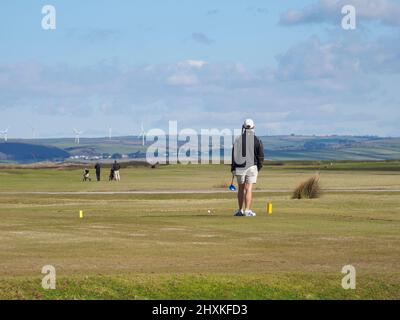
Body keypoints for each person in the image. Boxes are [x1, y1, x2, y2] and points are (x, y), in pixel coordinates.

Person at [231, 119, 264, 217]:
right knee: (249, 189)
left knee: (241, 189)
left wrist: (233, 168)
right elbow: (260, 156)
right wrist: (259, 167)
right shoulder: (257, 140)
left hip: (240, 167)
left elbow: (234, 155)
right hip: (252, 166)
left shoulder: (238, 140)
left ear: (243, 127)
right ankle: (247, 210)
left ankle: (240, 210)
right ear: (253, 127)